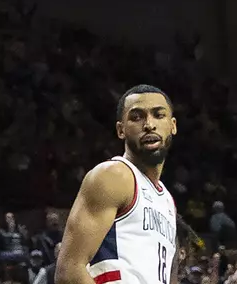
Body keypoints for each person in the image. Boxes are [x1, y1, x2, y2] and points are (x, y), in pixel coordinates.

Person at [55, 86, 179, 284]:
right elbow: (69, 272)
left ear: (172, 125)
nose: (149, 124)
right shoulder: (113, 176)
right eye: (137, 117)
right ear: (121, 130)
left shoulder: (167, 201)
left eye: (158, 115)